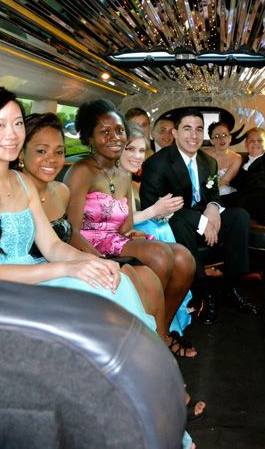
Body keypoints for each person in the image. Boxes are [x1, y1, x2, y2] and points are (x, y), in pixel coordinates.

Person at [0, 85, 154, 330]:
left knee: (113, 281)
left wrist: (93, 262)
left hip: (31, 276)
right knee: (92, 300)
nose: (12, 134)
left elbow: (52, 246)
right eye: (0, 125)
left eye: (17, 123)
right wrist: (68, 269)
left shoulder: (23, 182)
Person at [64, 99, 198, 357]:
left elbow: (124, 227)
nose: (115, 137)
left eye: (119, 130)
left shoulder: (123, 174)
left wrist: (134, 234)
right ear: (89, 137)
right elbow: (70, 230)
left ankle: (159, 331)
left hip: (116, 240)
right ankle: (148, 340)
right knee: (160, 254)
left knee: (184, 258)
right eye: (105, 131)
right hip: (89, 246)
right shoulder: (81, 171)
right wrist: (99, 261)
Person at [19, 112, 164, 329]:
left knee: (139, 278)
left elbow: (58, 243)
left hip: (62, 261)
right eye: (41, 151)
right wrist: (89, 262)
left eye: (59, 152)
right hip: (32, 276)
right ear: (21, 153)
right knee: (118, 283)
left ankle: (157, 340)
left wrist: (97, 261)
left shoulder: (60, 192)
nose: (52, 159)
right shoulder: (12, 193)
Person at [140, 107, 258, 325]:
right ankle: (203, 293)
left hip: (204, 220)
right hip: (174, 224)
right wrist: (200, 221)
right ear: (175, 133)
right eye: (187, 129)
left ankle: (231, 286)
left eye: (199, 129)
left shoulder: (208, 162)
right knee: (181, 219)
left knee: (240, 216)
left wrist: (213, 206)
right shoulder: (157, 164)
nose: (193, 135)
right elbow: (151, 206)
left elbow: (213, 195)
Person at [118, 123, 194, 336]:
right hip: (111, 239)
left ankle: (165, 325)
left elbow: (129, 217)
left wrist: (161, 211)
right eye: (130, 149)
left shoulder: (127, 178)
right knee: (158, 230)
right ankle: (152, 327)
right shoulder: (112, 177)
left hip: (131, 231)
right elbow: (121, 222)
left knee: (169, 237)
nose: (137, 156)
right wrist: (154, 211)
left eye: (141, 150)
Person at [202, 120, 241, 202]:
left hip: (226, 195)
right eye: (216, 136)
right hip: (205, 193)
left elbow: (224, 181)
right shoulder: (203, 154)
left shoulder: (237, 158)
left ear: (230, 138)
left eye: (224, 135)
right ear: (212, 141)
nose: (221, 139)